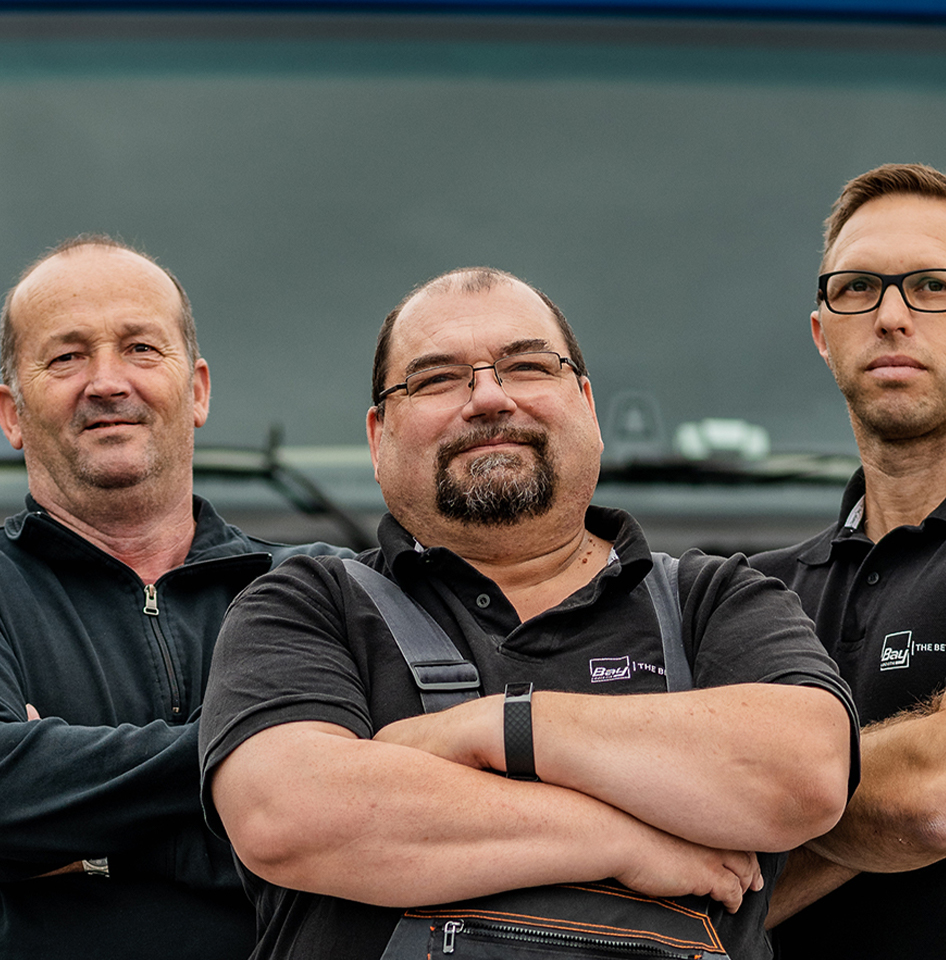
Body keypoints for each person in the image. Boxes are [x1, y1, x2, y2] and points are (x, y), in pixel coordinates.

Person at [200, 266, 859, 960]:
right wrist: (623, 841)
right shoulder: (304, 606)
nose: (489, 398)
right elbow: (288, 815)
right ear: (378, 437)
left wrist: (493, 728)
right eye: (437, 380)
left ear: (587, 405)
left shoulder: (715, 599)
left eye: (527, 367)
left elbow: (805, 774)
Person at [0, 235, 351, 960]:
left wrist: (83, 844)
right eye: (66, 357)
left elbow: (390, 813)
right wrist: (281, 764)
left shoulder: (330, 587)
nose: (107, 382)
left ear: (197, 390)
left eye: (140, 349)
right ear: (11, 413)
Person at [750, 162, 946, 960]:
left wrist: (742, 797)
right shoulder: (748, 590)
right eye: (858, 288)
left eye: (934, 287)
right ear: (822, 333)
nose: (892, 317)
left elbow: (937, 797)